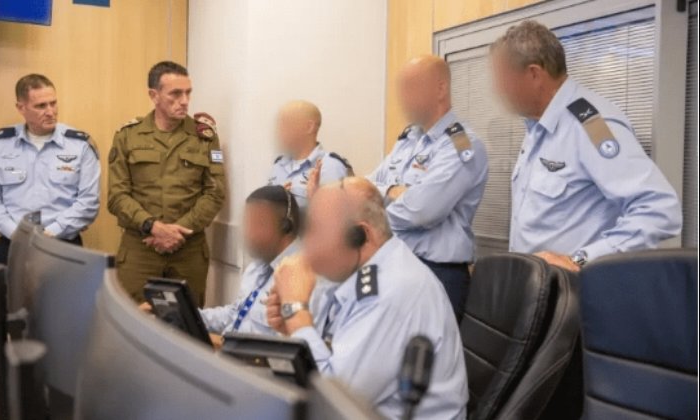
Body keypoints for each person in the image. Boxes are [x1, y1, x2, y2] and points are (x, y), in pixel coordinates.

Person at [267, 177, 467, 419]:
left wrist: (295, 310)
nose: (308, 246)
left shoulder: (394, 289)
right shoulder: (352, 275)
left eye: (319, 233)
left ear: (361, 235)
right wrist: (291, 328)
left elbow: (333, 405)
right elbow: (324, 358)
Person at [489, 20, 682, 271]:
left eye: (504, 79)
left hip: (576, 289)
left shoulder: (590, 126)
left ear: (534, 74)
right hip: (534, 286)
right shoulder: (537, 127)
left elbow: (659, 210)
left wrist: (580, 259)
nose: (498, 89)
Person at [366, 56, 488, 317]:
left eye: (411, 87)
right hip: (395, 262)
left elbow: (421, 211)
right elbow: (365, 188)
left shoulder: (462, 144)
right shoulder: (408, 140)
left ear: (440, 89)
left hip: (436, 272)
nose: (402, 97)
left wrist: (377, 208)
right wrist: (393, 190)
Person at [108, 61, 225, 305]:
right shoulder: (128, 136)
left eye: (188, 93)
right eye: (175, 94)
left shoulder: (204, 137)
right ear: (154, 95)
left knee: (187, 321)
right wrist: (152, 227)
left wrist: (177, 231)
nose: (184, 101)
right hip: (140, 248)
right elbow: (117, 196)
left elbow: (214, 193)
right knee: (133, 319)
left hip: (188, 250)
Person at [0, 74, 100, 263]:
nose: (50, 112)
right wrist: (15, 233)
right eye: (41, 106)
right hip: (12, 242)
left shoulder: (80, 145)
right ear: (21, 108)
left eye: (53, 103)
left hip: (63, 244)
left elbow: (88, 202)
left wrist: (50, 233)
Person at [200, 185, 330, 335]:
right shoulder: (257, 266)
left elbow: (297, 340)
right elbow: (235, 313)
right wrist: (192, 315)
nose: (248, 233)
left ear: (285, 226)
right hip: (230, 345)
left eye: (258, 224)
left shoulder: (305, 277)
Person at [268, 100, 353, 207]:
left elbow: (335, 214)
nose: (279, 131)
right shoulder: (278, 165)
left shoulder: (331, 166)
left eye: (287, 124)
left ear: (309, 127)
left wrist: (315, 198)